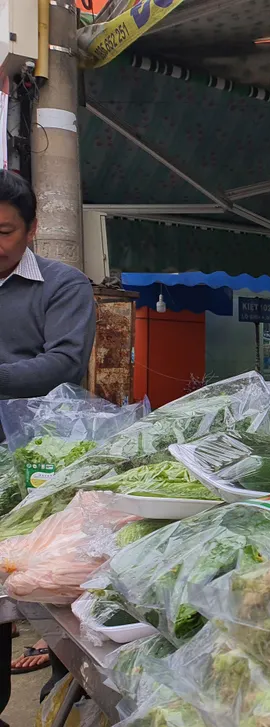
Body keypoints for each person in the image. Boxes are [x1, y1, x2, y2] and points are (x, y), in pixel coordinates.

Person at [0, 170, 95, 679]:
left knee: (50, 589)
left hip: (40, 466)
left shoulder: (63, 285)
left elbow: (63, 363)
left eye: (3, 232)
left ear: (32, 229)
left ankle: (63, 680)